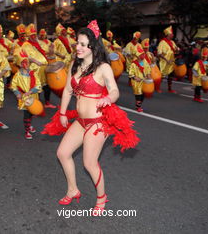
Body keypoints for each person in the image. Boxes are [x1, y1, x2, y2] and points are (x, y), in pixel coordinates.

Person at [42, 20, 139, 216]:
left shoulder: (103, 68)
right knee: (62, 153)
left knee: (89, 163)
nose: (78, 47)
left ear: (92, 46)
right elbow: (68, 90)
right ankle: (73, 189)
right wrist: (61, 113)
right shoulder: (74, 65)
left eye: (83, 44)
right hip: (80, 120)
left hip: (98, 122)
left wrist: (107, 98)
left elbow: (114, 91)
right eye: (77, 43)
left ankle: (102, 197)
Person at [10, 48, 42, 139]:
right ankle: (27, 130)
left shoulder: (33, 73)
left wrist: (31, 91)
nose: (27, 64)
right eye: (24, 62)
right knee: (27, 114)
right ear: (20, 64)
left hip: (33, 96)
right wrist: (17, 93)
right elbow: (13, 86)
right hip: (24, 98)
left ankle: (29, 125)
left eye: (27, 62)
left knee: (32, 112)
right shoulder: (18, 75)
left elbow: (38, 85)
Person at [129, 45, 152, 112]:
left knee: (143, 94)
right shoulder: (134, 64)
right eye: (141, 55)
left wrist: (148, 75)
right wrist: (135, 77)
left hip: (144, 80)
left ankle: (139, 105)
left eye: (143, 54)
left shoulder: (145, 61)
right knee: (138, 94)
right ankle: (138, 107)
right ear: (138, 56)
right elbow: (131, 73)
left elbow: (148, 69)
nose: (143, 56)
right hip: (136, 82)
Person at [157, 26, 178, 93]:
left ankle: (170, 88)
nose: (173, 35)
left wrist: (177, 50)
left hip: (171, 61)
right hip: (164, 62)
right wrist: (166, 60)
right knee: (162, 76)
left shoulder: (172, 42)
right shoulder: (162, 42)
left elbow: (176, 50)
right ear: (168, 34)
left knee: (171, 76)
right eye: (172, 34)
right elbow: (159, 53)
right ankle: (157, 88)